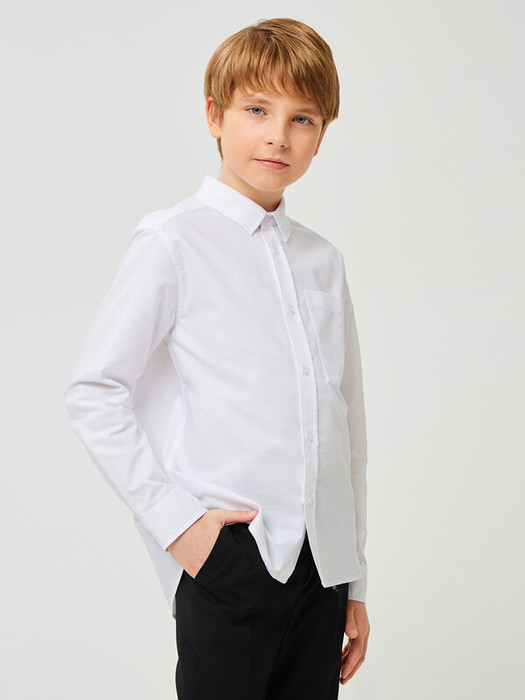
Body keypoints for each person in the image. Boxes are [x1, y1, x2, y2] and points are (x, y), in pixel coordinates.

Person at [64, 17, 370, 699]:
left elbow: (346, 428)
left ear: (321, 135)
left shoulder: (323, 261)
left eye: (302, 119)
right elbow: (93, 391)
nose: (277, 135)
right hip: (231, 559)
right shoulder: (173, 241)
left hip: (322, 571)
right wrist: (180, 527)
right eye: (256, 110)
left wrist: (352, 580)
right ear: (214, 116)